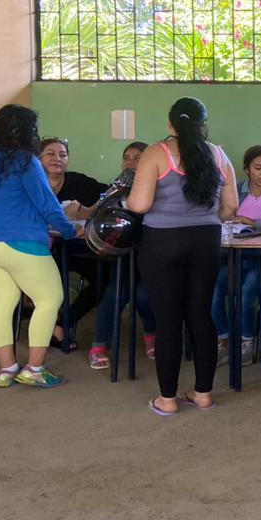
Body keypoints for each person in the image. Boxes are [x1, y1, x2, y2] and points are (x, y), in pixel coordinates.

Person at [125, 98, 238, 415]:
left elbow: (139, 204)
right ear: (203, 125)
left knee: (169, 320)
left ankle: (168, 399)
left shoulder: (155, 153)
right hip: (206, 240)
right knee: (201, 316)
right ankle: (203, 395)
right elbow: (230, 207)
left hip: (162, 242)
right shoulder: (218, 154)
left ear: (170, 124)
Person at [0, 104, 81, 389]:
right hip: (21, 243)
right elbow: (47, 204)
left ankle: (7, 370)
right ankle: (35, 369)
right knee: (50, 298)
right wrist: (69, 229)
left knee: (3, 303)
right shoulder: (24, 161)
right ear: (25, 132)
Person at [210, 144, 261, 366]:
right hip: (236, 257)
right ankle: (223, 341)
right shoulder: (235, 188)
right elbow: (221, 215)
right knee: (215, 289)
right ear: (246, 169)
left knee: (246, 293)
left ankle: (247, 341)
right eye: (258, 168)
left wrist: (251, 222)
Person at [86, 142, 156, 371]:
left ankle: (151, 333)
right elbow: (97, 213)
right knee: (117, 290)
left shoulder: (158, 186)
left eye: (137, 157)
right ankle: (99, 345)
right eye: (127, 158)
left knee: (143, 294)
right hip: (122, 255)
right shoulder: (116, 187)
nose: (131, 162)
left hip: (150, 253)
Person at [37, 137, 108, 350]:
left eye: (63, 154)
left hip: (73, 250)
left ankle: (62, 325)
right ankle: (44, 326)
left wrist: (90, 209)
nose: (57, 158)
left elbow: (109, 193)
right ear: (39, 159)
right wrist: (61, 215)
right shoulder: (33, 183)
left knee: (104, 278)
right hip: (40, 252)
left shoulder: (78, 182)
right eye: (50, 153)